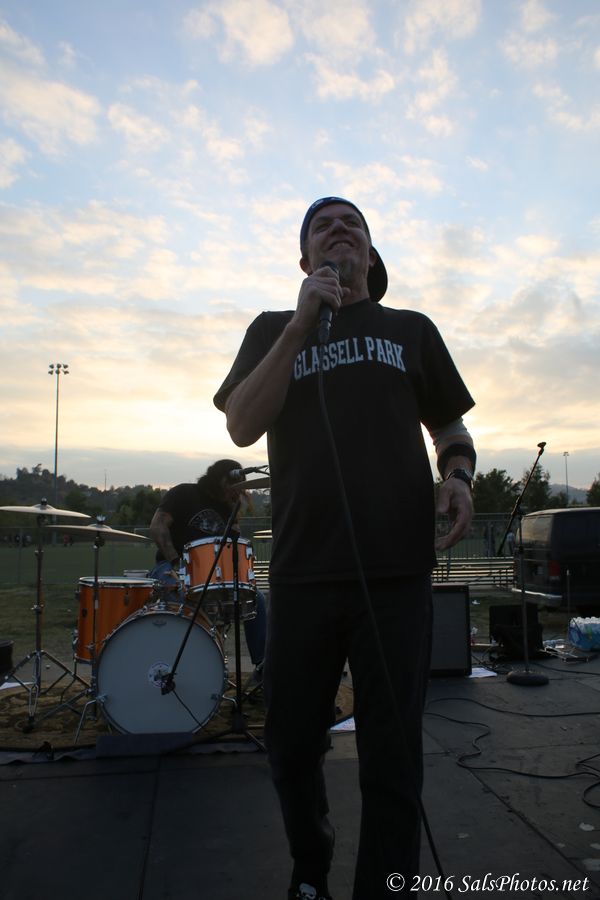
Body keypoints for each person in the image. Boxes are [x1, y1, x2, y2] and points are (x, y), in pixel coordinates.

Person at [214, 197, 476, 900]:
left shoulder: (411, 330)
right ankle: (311, 865)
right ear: (305, 261)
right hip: (304, 571)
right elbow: (240, 425)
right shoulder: (272, 329)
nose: (339, 229)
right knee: (292, 744)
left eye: (352, 222)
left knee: (393, 755)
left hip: (397, 573)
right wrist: (301, 324)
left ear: (371, 253)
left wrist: (457, 478)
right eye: (322, 226)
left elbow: (451, 429)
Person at [148, 458, 266, 676]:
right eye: (233, 485)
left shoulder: (228, 507)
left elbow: (232, 549)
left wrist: (234, 517)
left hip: (213, 575)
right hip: (170, 567)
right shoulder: (184, 493)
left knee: (256, 599)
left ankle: (263, 669)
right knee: (181, 595)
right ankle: (183, 668)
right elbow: (157, 526)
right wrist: (176, 562)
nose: (236, 491)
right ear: (219, 480)